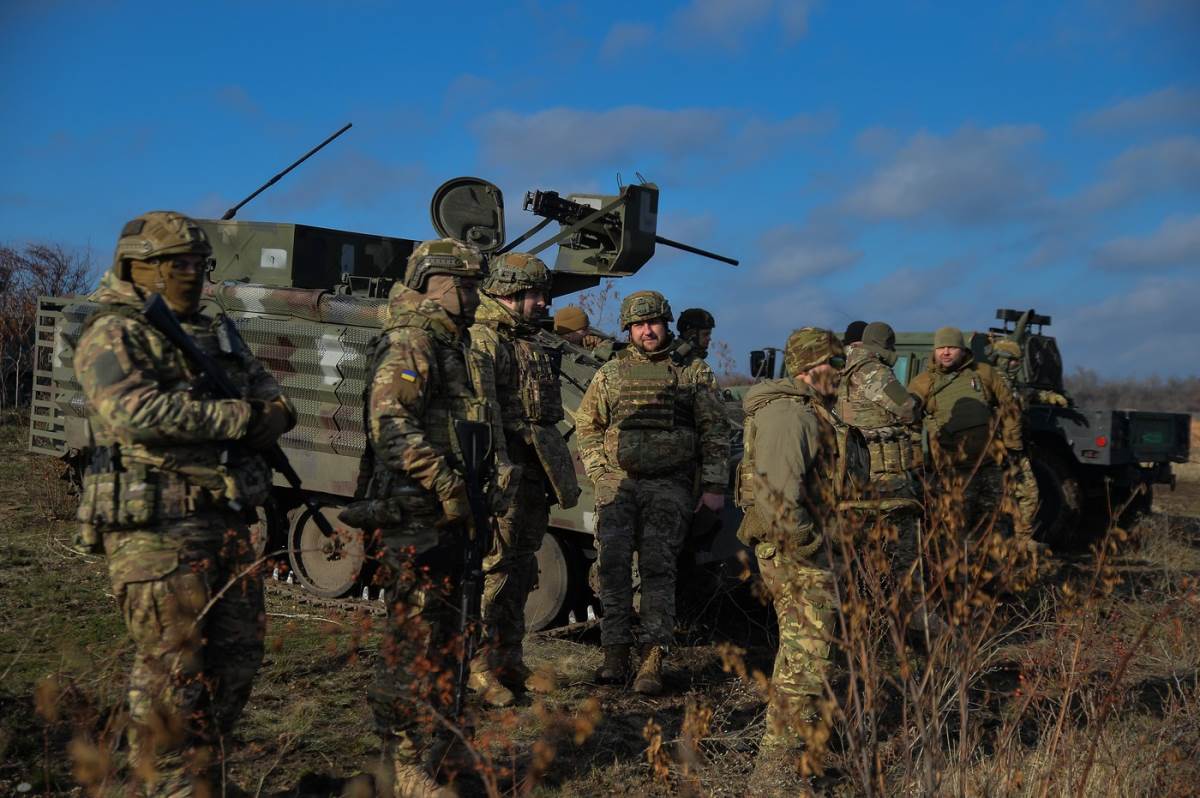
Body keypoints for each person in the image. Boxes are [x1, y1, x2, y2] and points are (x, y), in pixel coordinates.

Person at [73, 211, 294, 796]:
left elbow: (269, 393)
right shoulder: (114, 330)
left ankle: (203, 781)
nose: (192, 275)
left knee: (237, 660)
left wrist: (267, 414)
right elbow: (133, 412)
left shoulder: (215, 329)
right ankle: (165, 786)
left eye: (200, 264)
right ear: (138, 266)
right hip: (154, 525)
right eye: (179, 264)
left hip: (223, 516)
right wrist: (242, 419)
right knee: (174, 673)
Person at [360, 237, 495, 797]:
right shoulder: (414, 341)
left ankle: (440, 750)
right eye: (465, 285)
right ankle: (405, 765)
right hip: (418, 515)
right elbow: (389, 426)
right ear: (439, 285)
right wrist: (445, 483)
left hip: (447, 516)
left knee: (450, 636)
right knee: (414, 640)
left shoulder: (453, 344)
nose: (473, 295)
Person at [575, 290, 730, 695]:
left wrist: (713, 487)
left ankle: (651, 660)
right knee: (612, 567)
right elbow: (587, 424)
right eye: (640, 324)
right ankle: (614, 654)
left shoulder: (692, 373)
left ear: (666, 324)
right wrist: (598, 470)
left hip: (670, 484)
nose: (647, 330)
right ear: (628, 329)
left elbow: (715, 431)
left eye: (655, 322)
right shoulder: (610, 373)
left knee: (660, 571)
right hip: (618, 483)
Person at [734, 328, 855, 780]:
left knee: (806, 659)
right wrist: (813, 547)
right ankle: (775, 775)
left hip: (801, 549)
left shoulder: (806, 410)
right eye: (836, 364)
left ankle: (797, 761)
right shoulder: (790, 414)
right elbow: (779, 500)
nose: (842, 373)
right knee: (807, 665)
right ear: (811, 366)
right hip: (796, 553)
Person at [467, 252, 580, 707]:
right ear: (508, 294)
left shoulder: (528, 340)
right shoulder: (484, 340)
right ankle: (476, 666)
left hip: (535, 472)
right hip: (506, 473)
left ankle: (510, 657)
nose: (540, 302)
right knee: (493, 570)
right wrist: (495, 474)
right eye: (534, 294)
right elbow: (484, 412)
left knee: (522, 568)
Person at [908, 326, 1022, 537]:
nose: (946, 352)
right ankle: (957, 569)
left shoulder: (984, 373)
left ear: (962, 349)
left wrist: (1012, 445)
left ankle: (991, 568)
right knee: (954, 533)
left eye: (952, 347)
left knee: (994, 529)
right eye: (941, 347)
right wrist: (918, 463)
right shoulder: (923, 383)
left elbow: (1010, 408)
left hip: (989, 466)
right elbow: (910, 422)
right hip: (952, 472)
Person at [990, 337, 1068, 538]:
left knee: (1028, 495)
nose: (1017, 364)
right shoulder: (989, 384)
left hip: (1015, 449)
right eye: (1014, 360)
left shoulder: (1012, 385)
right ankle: (1002, 540)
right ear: (1003, 360)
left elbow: (1026, 393)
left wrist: (1049, 397)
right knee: (1002, 497)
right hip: (997, 452)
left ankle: (1019, 538)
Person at [553, 305, 617, 359]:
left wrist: (601, 345)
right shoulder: (561, 354)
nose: (588, 332)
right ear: (568, 335)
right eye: (584, 329)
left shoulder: (586, 343)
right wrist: (597, 351)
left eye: (587, 328)